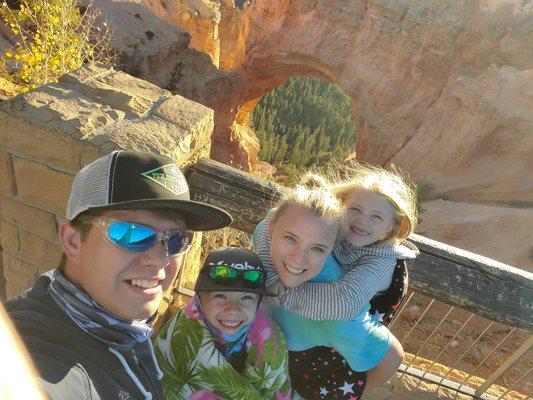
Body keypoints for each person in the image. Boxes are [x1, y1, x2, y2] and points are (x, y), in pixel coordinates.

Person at [6, 150, 232, 400]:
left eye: (177, 240)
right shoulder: (32, 365)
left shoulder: (121, 324)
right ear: (73, 240)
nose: (159, 259)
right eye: (130, 234)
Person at [253, 163, 418, 399]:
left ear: (391, 226)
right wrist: (271, 275)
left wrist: (279, 292)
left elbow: (344, 302)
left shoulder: (382, 261)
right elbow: (272, 221)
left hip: (340, 337)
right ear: (342, 205)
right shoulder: (333, 226)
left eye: (376, 217)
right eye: (356, 210)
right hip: (308, 329)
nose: (362, 222)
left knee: (390, 357)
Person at [155, 247, 291, 400]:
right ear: (200, 299)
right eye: (220, 296)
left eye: (246, 298)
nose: (233, 310)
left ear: (258, 303)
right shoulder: (180, 340)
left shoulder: (272, 338)